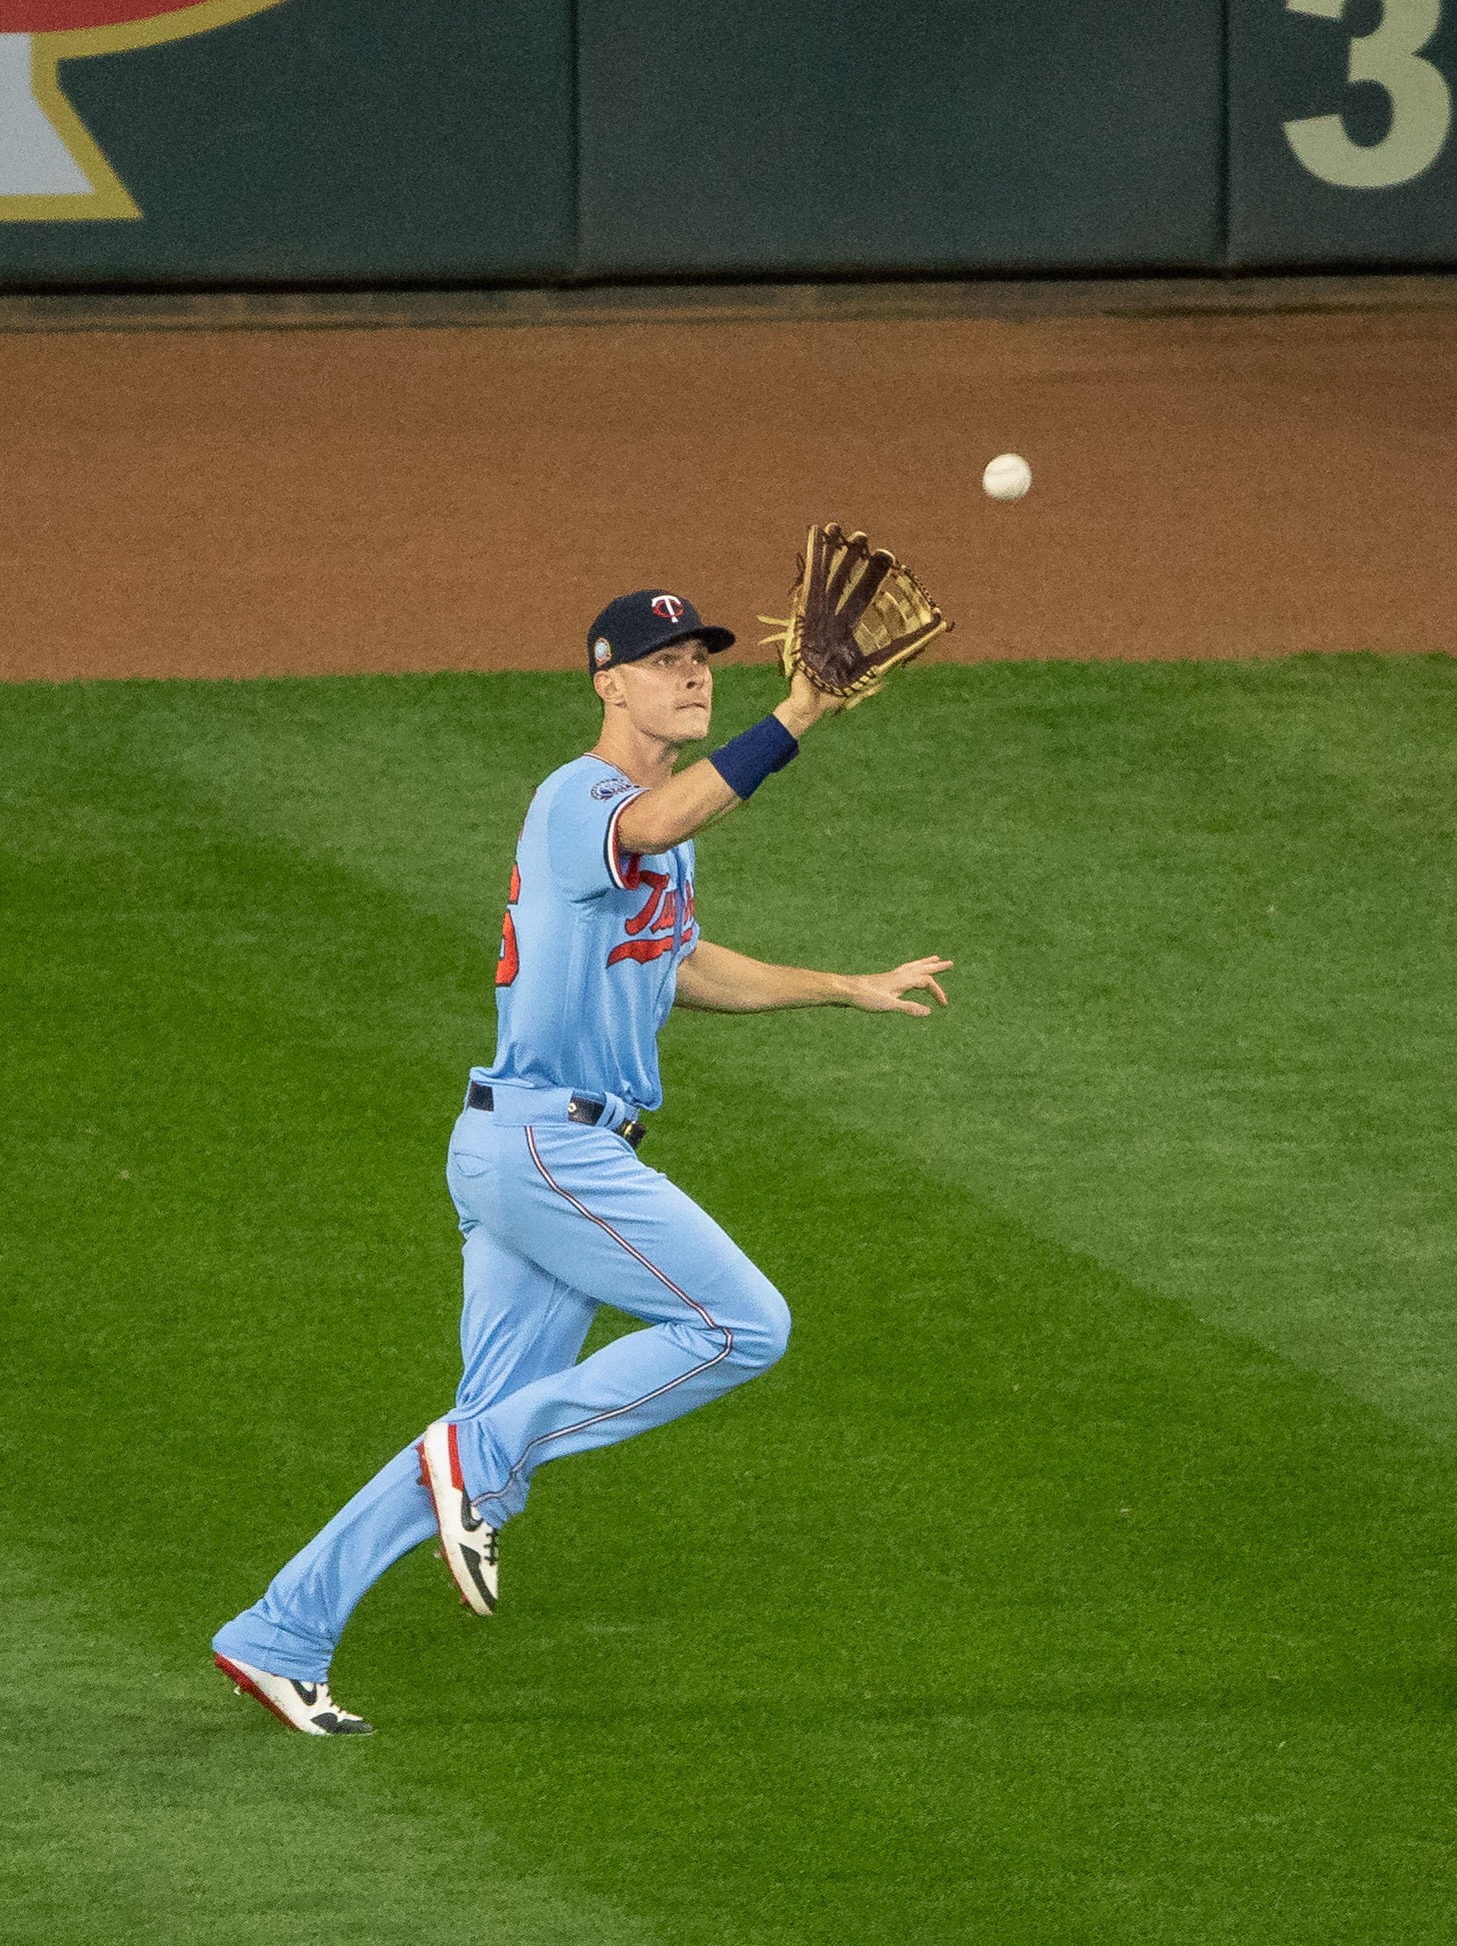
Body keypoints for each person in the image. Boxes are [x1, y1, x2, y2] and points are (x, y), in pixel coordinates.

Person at [211, 587, 954, 1734]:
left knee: (475, 1439)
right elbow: (658, 828)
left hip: (530, 1147)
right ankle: (482, 1451)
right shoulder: (582, 799)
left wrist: (845, 985)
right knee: (744, 1327)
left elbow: (682, 964)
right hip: (549, 1143)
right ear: (609, 682)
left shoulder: (651, 824)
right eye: (665, 661)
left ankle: (278, 1631)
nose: (695, 674)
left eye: (702, 657)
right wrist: (798, 713)